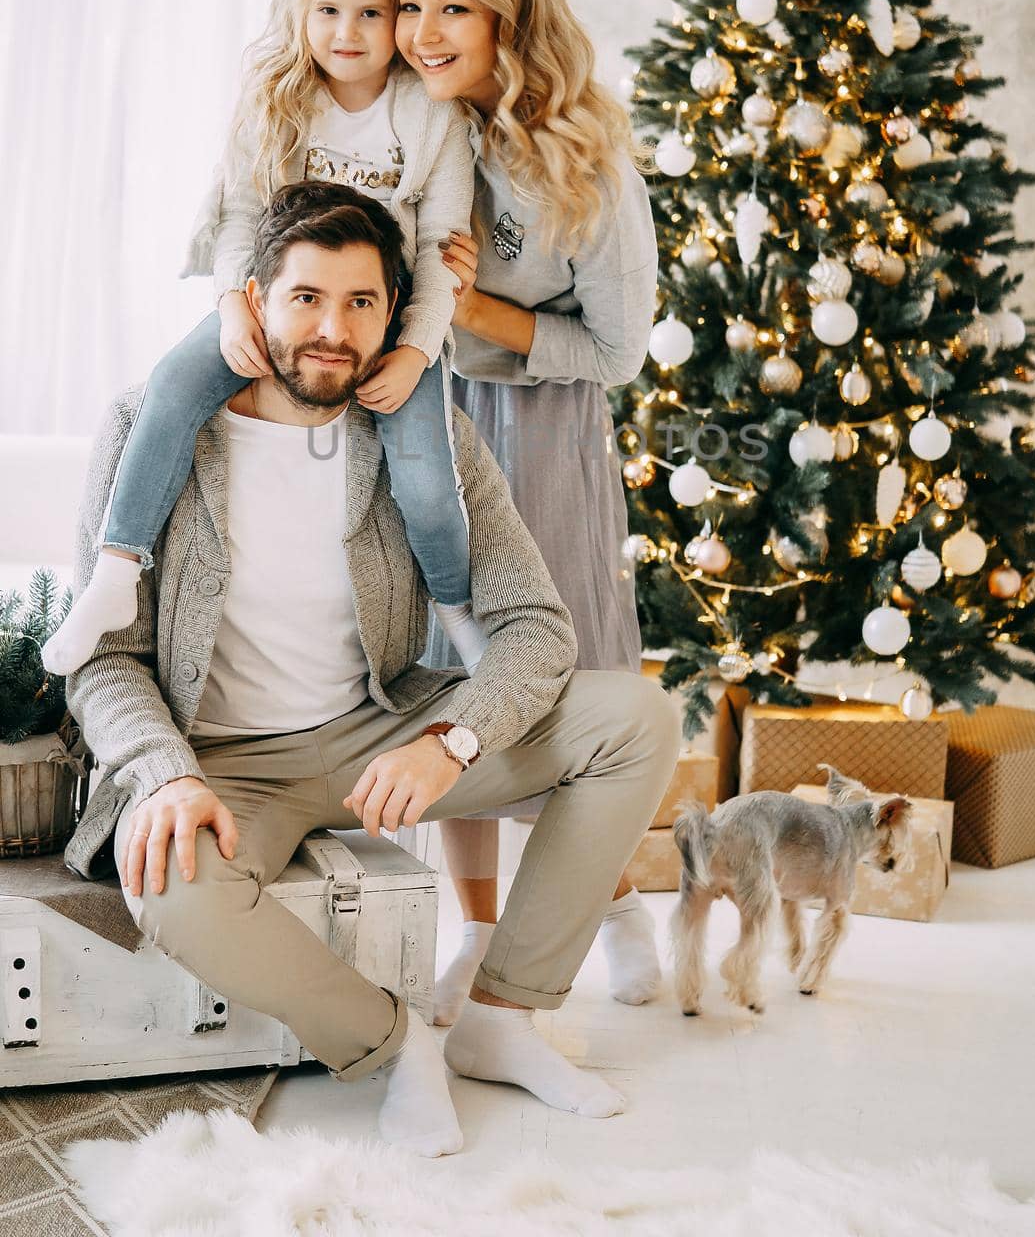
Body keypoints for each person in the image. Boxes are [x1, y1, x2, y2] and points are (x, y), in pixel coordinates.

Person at [63, 181, 681, 1158]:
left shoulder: (418, 435)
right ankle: (397, 1047)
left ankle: (502, 1015)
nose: (332, 330)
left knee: (636, 718)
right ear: (254, 296)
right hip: (219, 759)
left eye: (361, 304)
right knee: (170, 887)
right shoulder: (152, 424)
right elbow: (103, 657)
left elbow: (535, 627)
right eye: (306, 297)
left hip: (376, 732)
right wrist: (164, 773)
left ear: (393, 316)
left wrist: (451, 741)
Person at [43, 0, 484, 679]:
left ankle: (454, 609)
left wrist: (415, 350)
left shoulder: (431, 113)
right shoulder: (277, 96)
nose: (347, 31)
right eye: (328, 10)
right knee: (172, 388)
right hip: (279, 304)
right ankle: (116, 571)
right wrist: (230, 305)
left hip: (385, 320)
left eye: (371, 13)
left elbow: (442, 250)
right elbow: (240, 216)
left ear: (398, 19)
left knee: (426, 473)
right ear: (301, 12)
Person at [390, 0, 664, 1018]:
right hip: (424, 422)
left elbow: (618, 349)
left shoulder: (586, 165)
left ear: (510, 14)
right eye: (410, 3)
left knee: (567, 673)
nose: (421, 29)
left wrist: (485, 308)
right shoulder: (405, 128)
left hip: (540, 437)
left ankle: (614, 900)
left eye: (452, 5)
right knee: (453, 675)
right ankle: (479, 925)